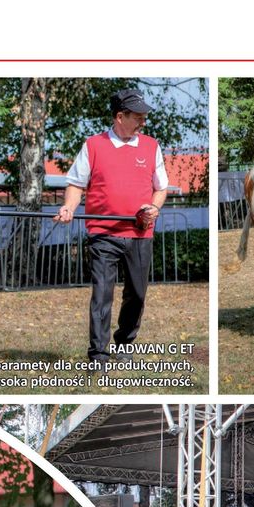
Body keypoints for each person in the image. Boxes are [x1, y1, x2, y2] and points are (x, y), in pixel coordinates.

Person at [56, 88, 169, 367]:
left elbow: (161, 188)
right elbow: (76, 184)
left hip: (140, 233)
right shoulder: (93, 145)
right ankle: (98, 355)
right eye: (138, 117)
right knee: (102, 293)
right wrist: (69, 207)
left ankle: (125, 342)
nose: (143, 122)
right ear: (120, 116)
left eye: (144, 117)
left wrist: (155, 207)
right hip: (103, 234)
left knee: (137, 294)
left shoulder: (151, 146)